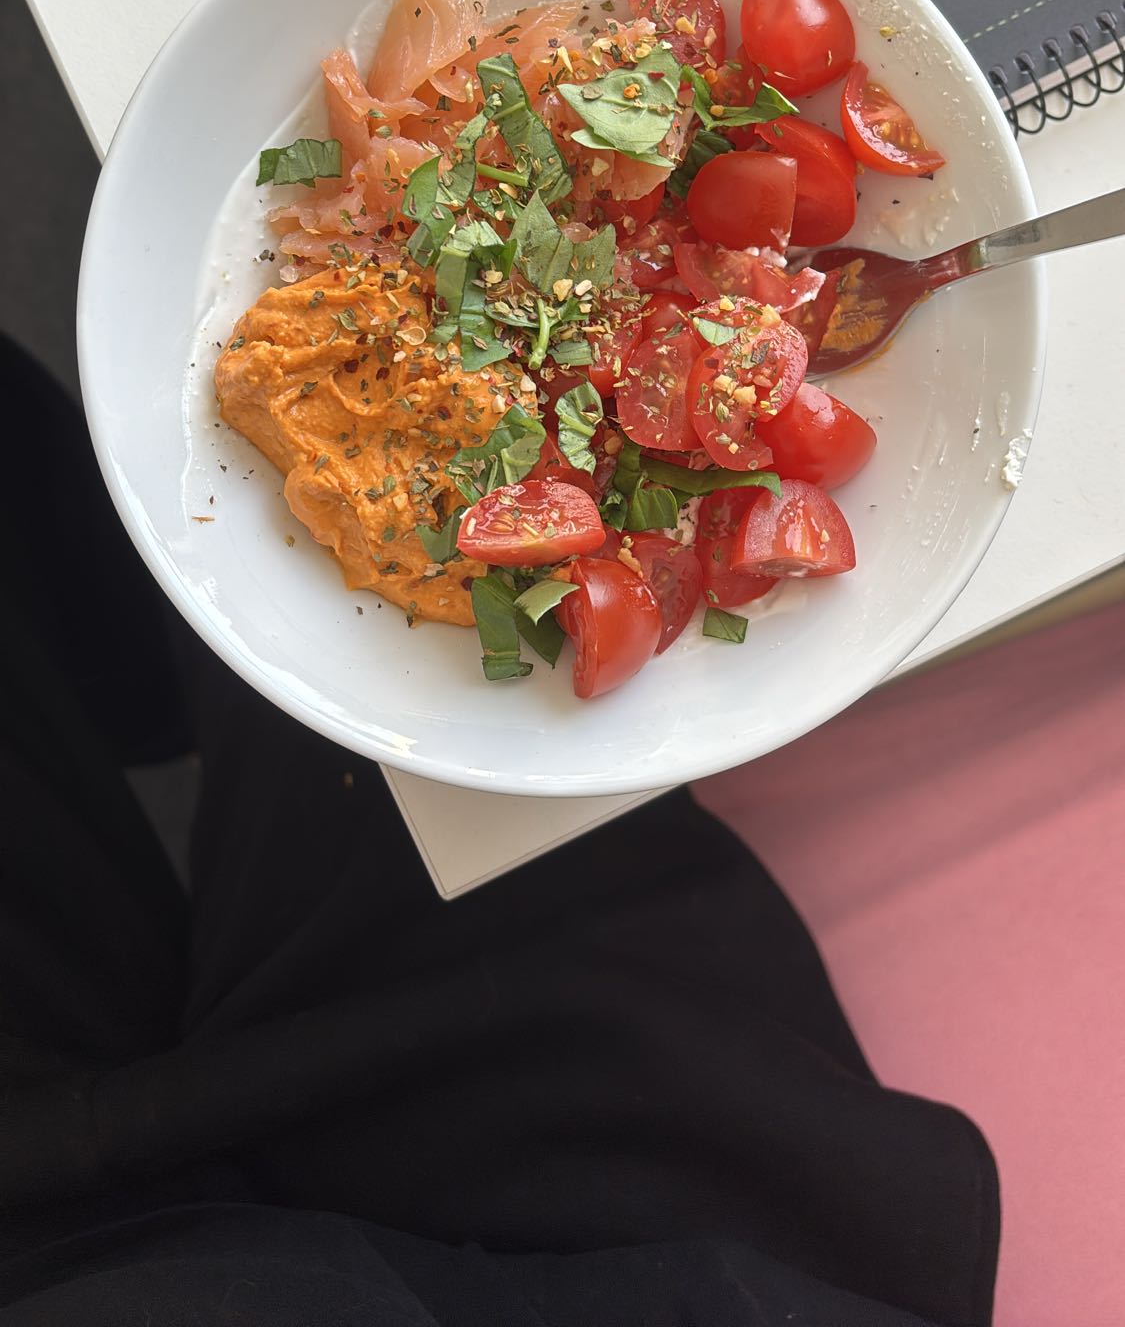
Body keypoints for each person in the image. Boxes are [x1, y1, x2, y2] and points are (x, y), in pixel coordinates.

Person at [0, 334, 999, 1326]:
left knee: (276, 671)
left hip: (73, 1220)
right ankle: (135, 684)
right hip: (673, 1172)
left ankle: (133, 685)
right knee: (327, 719)